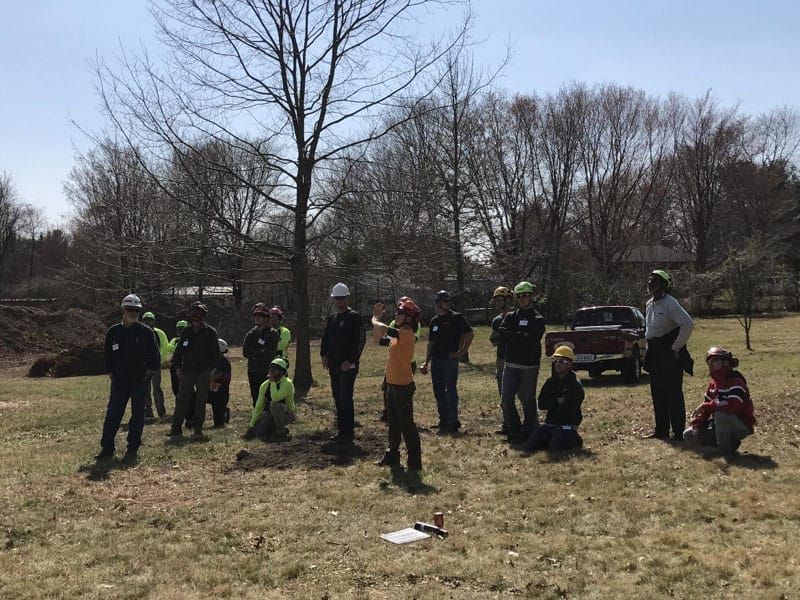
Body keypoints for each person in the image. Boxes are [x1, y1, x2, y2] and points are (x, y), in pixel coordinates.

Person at [96, 294, 160, 461]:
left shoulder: (146, 332)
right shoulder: (113, 332)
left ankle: (133, 448)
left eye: (136, 310)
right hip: (119, 382)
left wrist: (147, 374)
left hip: (139, 381)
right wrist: (111, 372)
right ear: (123, 310)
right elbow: (107, 355)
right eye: (130, 310)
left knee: (138, 415)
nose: (133, 313)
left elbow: (155, 357)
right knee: (113, 414)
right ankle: (107, 448)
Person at [372, 299, 423, 473]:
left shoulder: (406, 335)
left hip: (402, 387)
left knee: (407, 425)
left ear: (408, 318)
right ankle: (392, 455)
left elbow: (382, 328)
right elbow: (378, 340)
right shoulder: (397, 336)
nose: (396, 315)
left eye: (399, 313)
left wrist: (375, 318)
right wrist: (376, 323)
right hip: (392, 385)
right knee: (393, 423)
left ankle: (415, 462)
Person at [643, 269, 694, 440]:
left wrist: (676, 347)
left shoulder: (671, 303)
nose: (651, 283)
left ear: (664, 285)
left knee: (673, 393)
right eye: (650, 280)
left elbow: (687, 324)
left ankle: (678, 432)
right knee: (657, 392)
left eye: (655, 280)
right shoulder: (649, 304)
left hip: (668, 353)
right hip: (654, 352)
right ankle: (661, 430)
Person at [497, 281, 546, 442]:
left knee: (528, 399)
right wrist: (521, 335)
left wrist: (515, 335)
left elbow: (533, 338)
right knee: (506, 399)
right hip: (511, 365)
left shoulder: (538, 318)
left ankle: (530, 430)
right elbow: (502, 334)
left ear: (531, 297)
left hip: (529, 366)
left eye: (525, 295)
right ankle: (515, 429)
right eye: (519, 296)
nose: (522, 299)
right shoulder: (511, 316)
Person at [684, 347, 755, 457]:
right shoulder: (713, 384)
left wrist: (706, 406)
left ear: (725, 363)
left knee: (721, 414)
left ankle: (724, 452)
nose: (710, 364)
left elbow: (733, 406)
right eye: (709, 361)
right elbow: (706, 409)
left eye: (715, 360)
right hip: (719, 425)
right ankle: (727, 446)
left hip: (740, 425)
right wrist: (697, 424)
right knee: (688, 434)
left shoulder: (736, 381)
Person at [420, 290, 474, 433]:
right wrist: (426, 362)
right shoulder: (434, 321)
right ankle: (443, 419)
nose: (448, 303)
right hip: (436, 360)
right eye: (445, 301)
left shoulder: (456, 318)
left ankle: (453, 420)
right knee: (438, 390)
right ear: (438, 303)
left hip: (450, 360)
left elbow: (470, 334)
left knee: (450, 390)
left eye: (449, 301)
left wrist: (461, 352)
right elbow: (431, 343)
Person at [320, 282, 365, 443]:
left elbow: (360, 341)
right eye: (337, 298)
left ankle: (348, 432)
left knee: (345, 397)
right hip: (334, 365)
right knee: (337, 397)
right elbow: (325, 338)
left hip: (348, 366)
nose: (339, 301)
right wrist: (323, 355)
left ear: (347, 298)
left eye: (341, 298)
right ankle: (341, 430)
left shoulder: (354, 317)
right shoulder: (332, 318)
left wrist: (351, 360)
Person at [170, 301, 221, 440]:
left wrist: (212, 370)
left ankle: (198, 428)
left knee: (201, 400)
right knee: (182, 399)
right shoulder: (186, 331)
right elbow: (178, 352)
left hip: (204, 371)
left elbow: (216, 354)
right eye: (194, 316)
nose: (196, 319)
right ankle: (176, 428)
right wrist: (177, 368)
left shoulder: (211, 332)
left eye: (199, 316)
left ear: (203, 317)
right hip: (187, 371)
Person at [524, 346, 585, 453]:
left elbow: (570, 408)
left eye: (561, 361)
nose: (557, 364)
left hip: (567, 425)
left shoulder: (575, 386)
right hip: (551, 424)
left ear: (569, 364)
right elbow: (541, 404)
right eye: (555, 361)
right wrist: (557, 401)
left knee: (555, 447)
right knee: (530, 446)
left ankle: (574, 439)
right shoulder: (550, 383)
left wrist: (553, 404)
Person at [380, 296, 422, 422]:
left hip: (408, 362)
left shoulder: (415, 325)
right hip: (394, 361)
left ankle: (404, 418)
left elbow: (411, 339)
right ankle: (388, 414)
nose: (397, 314)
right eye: (398, 311)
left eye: (401, 312)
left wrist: (396, 336)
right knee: (387, 388)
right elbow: (387, 340)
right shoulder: (394, 323)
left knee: (403, 393)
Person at [246, 358, 296, 440]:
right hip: (270, 413)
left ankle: (281, 431)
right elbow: (259, 406)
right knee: (261, 429)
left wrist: (272, 382)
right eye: (271, 369)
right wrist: (252, 424)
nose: (272, 371)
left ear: (282, 372)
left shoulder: (287, 383)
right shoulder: (265, 385)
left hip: (287, 415)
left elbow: (275, 398)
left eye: (275, 369)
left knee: (274, 405)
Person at [243, 303, 279, 406]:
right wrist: (260, 351)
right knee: (256, 398)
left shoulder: (272, 334)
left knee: (267, 398)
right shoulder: (250, 334)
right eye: (256, 316)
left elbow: (270, 353)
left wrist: (255, 352)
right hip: (252, 370)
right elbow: (245, 352)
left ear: (266, 319)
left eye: (260, 316)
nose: (257, 318)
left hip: (266, 371)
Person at [489, 286, 514, 435]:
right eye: (496, 300)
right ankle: (507, 423)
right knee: (504, 394)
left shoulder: (516, 317)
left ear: (508, 300)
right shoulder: (497, 320)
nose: (497, 303)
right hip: (501, 359)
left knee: (522, 395)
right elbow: (493, 339)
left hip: (516, 359)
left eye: (500, 299)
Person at [141, 311, 169, 420]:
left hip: (156, 366)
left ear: (154, 321)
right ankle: (148, 413)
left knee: (157, 388)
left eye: (150, 319)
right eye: (146, 320)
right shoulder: (139, 332)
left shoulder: (159, 333)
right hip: (144, 366)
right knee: (145, 389)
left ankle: (161, 412)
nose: (148, 322)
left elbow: (165, 347)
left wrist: (159, 360)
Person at [208, 338, 232, 428]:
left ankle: (224, 412)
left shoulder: (224, 363)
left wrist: (204, 381)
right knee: (192, 399)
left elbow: (215, 376)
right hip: (208, 390)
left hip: (220, 393)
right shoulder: (209, 360)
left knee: (219, 423)